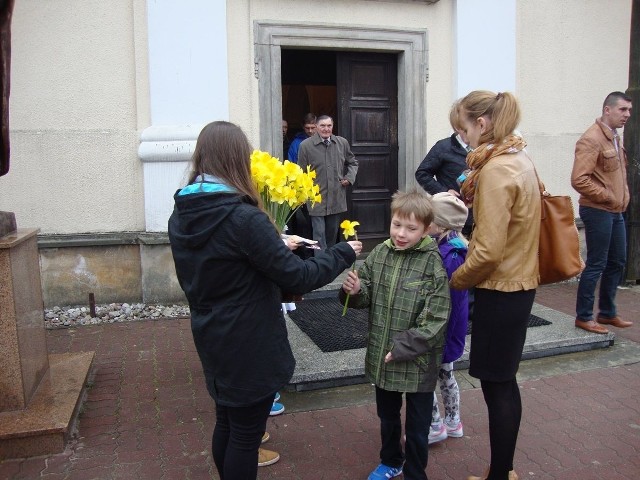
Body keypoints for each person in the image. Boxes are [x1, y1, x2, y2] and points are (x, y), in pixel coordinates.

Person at [168, 121, 362, 480]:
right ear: (238, 160)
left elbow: (224, 261)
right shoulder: (243, 217)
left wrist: (275, 245)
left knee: (227, 420)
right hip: (249, 339)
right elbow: (298, 276)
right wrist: (342, 253)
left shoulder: (183, 213)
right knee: (245, 435)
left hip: (211, 332)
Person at [450, 91, 540, 480]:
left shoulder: (496, 169)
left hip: (501, 288)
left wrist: (455, 279)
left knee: (497, 385)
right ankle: (503, 469)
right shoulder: (518, 158)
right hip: (518, 283)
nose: (463, 138)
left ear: (482, 124)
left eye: (464, 128)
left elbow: (486, 252)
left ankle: (500, 474)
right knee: (503, 380)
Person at [340, 188, 451, 480]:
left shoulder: (432, 263)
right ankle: (391, 460)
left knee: (417, 426)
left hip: (416, 361)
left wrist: (404, 347)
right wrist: (354, 291)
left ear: (426, 229)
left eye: (411, 228)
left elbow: (436, 318)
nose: (401, 233)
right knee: (388, 417)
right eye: (396, 225)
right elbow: (366, 294)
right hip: (383, 355)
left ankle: (415, 472)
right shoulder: (380, 254)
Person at [571, 91, 632, 334]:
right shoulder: (592, 139)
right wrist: (608, 196)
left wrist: (619, 198)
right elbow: (579, 179)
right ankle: (584, 316)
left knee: (618, 261)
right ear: (607, 110)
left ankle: (607, 312)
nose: (627, 114)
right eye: (622, 110)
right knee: (597, 263)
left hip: (616, 210)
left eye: (629, 110)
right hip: (597, 210)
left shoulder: (615, 137)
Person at [425, 192, 469, 445]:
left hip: (442, 327)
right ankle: (453, 422)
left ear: (440, 224)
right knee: (445, 374)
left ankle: (435, 426)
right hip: (449, 326)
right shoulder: (451, 247)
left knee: (427, 377)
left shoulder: (449, 255)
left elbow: (445, 297)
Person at [298, 114, 359, 249]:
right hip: (316, 199)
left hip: (336, 197)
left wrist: (349, 178)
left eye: (329, 125)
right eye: (322, 126)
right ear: (317, 127)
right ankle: (321, 266)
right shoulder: (305, 146)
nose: (326, 129)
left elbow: (353, 162)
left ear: (332, 126)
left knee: (332, 235)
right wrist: (302, 194)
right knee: (319, 236)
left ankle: (329, 264)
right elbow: (300, 173)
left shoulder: (342, 143)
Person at [415, 102, 474, 237]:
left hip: (478, 217)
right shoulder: (443, 147)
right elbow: (422, 173)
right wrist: (444, 191)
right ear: (458, 128)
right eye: (465, 129)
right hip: (452, 218)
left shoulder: (482, 148)